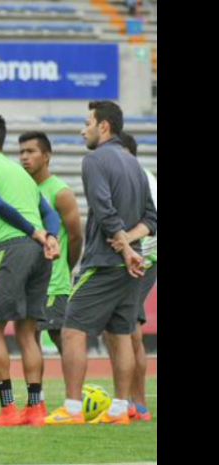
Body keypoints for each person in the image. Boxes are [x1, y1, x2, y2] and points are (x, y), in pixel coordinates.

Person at [44, 101, 156, 426]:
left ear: (103, 126)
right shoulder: (135, 164)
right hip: (131, 265)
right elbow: (152, 219)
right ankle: (120, 409)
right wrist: (131, 246)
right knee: (121, 333)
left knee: (72, 329)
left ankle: (72, 408)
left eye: (87, 123)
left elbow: (104, 209)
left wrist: (123, 246)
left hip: (105, 262)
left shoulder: (94, 160)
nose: (83, 130)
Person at [0, 113, 61, 427]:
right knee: (27, 331)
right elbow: (50, 214)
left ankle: (8, 410)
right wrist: (51, 238)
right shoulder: (21, 173)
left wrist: (34, 232)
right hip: (39, 253)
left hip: (12, 248)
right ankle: (36, 408)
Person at [103, 131, 156, 422]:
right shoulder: (131, 177)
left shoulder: (140, 178)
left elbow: (152, 221)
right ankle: (129, 402)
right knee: (119, 328)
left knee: (127, 328)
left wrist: (126, 241)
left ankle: (137, 403)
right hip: (130, 258)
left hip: (142, 259)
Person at [19, 132, 83, 356]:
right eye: (21, 152)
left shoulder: (60, 192)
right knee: (28, 338)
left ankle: (75, 380)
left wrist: (64, 267)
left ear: (46, 156)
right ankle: (36, 383)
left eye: (30, 151)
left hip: (53, 282)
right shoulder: (21, 191)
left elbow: (76, 237)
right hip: (27, 281)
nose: (24, 157)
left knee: (59, 336)